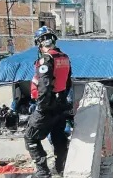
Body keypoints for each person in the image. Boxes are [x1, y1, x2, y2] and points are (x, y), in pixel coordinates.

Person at [24, 26, 72, 177]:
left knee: (30, 137)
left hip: (47, 107)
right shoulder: (64, 57)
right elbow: (68, 82)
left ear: (39, 43)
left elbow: (44, 86)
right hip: (61, 105)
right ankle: (61, 168)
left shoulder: (46, 59)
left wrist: (42, 106)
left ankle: (43, 173)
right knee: (58, 136)